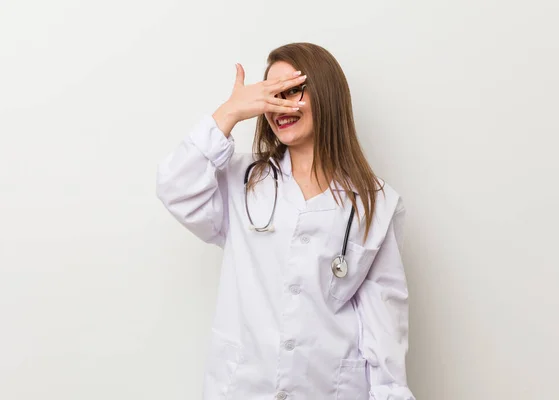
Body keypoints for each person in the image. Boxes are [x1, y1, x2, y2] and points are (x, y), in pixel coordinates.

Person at [156, 42, 415, 400]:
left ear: (326, 95)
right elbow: (175, 188)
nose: (280, 106)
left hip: (331, 388)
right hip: (244, 386)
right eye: (271, 95)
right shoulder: (242, 180)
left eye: (293, 90)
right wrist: (228, 113)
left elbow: (384, 320)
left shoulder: (375, 202)